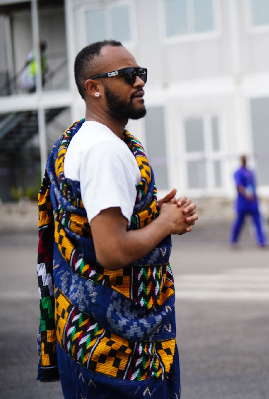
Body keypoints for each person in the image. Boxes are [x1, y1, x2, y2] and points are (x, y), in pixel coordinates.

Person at [36, 40, 197, 398]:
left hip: (83, 333)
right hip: (116, 349)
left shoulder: (82, 139)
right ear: (93, 88)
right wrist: (164, 224)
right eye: (126, 75)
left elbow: (98, 224)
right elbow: (110, 250)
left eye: (140, 73)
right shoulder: (104, 150)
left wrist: (153, 214)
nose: (139, 82)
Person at [230, 154, 266, 247]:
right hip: (243, 202)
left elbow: (253, 186)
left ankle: (261, 241)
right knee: (239, 222)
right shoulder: (237, 172)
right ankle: (233, 240)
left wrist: (256, 197)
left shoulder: (250, 172)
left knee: (258, 221)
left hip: (252, 202)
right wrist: (246, 194)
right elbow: (238, 186)